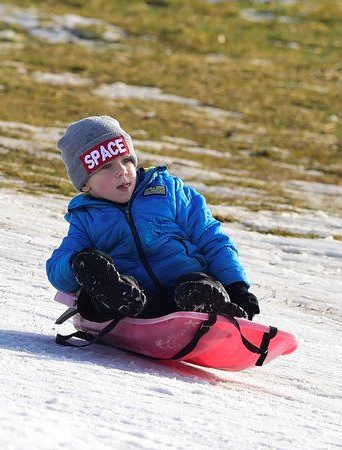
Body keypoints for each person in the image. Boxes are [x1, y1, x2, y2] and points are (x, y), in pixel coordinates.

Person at [46, 115, 260, 323]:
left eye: (126, 160)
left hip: (188, 287)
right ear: (85, 184)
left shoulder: (169, 191)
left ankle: (210, 306)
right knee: (99, 294)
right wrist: (78, 264)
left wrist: (237, 286)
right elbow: (57, 268)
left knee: (196, 285)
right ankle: (115, 295)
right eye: (106, 166)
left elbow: (211, 238)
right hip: (141, 301)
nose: (122, 171)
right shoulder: (86, 218)